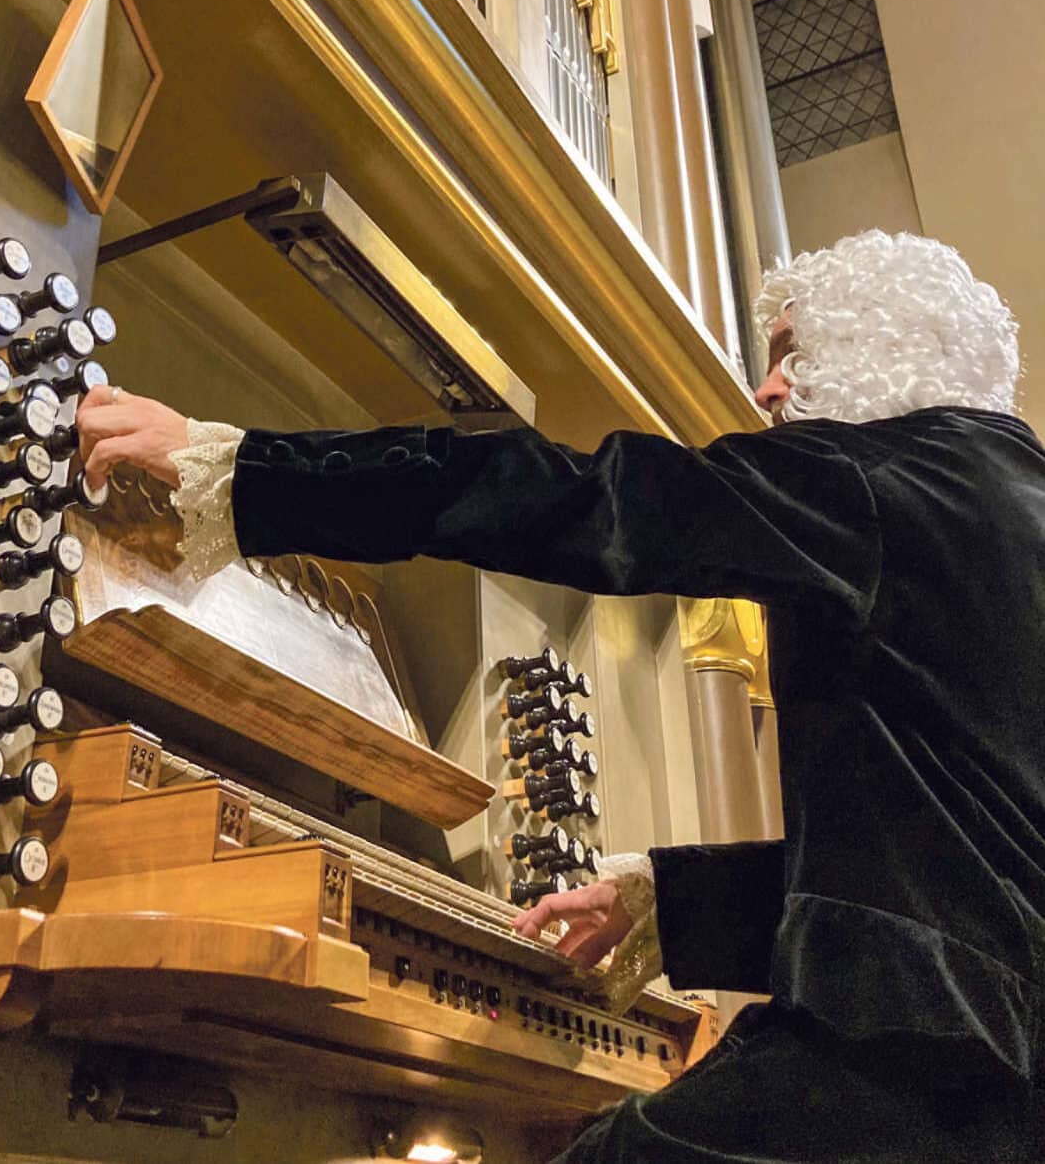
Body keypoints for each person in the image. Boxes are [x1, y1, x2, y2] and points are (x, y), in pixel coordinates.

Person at [75, 231, 1044, 1161]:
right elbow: (948, 869)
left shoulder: (874, 480)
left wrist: (241, 471)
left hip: (923, 1076)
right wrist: (669, 895)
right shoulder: (1007, 504)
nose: (765, 388)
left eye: (793, 352)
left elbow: (576, 499)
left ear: (881, 340)